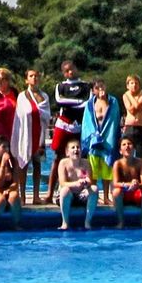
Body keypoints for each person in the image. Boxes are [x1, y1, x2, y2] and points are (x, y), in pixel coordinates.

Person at [45, 59, 92, 202]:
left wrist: (72, 102)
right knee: (57, 158)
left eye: (72, 69)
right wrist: (78, 102)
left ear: (76, 68)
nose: (70, 72)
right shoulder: (60, 86)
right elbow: (59, 101)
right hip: (63, 124)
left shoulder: (85, 86)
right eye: (66, 70)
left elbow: (88, 102)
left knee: (82, 158)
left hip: (79, 126)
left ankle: (85, 189)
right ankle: (49, 192)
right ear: (63, 73)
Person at [12, 68, 50, 204]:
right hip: (26, 134)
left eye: (36, 76)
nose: (34, 78)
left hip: (39, 134)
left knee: (37, 165)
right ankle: (22, 196)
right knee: (23, 165)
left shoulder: (44, 97)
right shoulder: (22, 96)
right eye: (31, 76)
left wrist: (39, 114)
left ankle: (36, 196)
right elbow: (20, 116)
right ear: (26, 79)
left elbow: (47, 115)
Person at [81, 78, 121, 205]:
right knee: (92, 170)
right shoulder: (90, 104)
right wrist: (93, 136)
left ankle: (105, 196)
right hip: (94, 141)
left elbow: (115, 119)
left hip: (108, 140)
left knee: (106, 171)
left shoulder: (113, 101)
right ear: (93, 91)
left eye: (102, 87)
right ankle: (93, 195)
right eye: (97, 88)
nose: (101, 90)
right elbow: (86, 122)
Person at [56, 139, 98, 231]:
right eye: (73, 147)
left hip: (81, 196)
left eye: (78, 147)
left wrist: (86, 182)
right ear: (67, 152)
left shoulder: (86, 163)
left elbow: (90, 181)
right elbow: (62, 183)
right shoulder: (63, 163)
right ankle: (65, 222)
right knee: (65, 190)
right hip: (67, 196)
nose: (76, 149)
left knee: (94, 189)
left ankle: (87, 222)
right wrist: (76, 183)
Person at [112, 135, 142, 227]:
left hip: (136, 193)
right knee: (116, 192)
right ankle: (121, 221)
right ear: (120, 151)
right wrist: (128, 184)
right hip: (124, 193)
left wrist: (137, 184)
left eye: (129, 144)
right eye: (124, 144)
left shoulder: (140, 163)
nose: (127, 146)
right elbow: (115, 183)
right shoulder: (117, 164)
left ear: (134, 148)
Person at [122, 74, 142, 159]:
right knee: (127, 154)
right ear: (128, 85)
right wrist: (129, 95)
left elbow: (137, 106)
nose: (134, 85)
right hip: (129, 127)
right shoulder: (125, 96)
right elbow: (131, 110)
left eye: (136, 83)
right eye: (132, 83)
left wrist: (129, 95)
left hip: (140, 127)